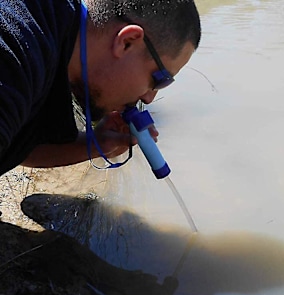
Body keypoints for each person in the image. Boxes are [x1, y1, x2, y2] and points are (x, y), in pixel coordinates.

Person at [0, 0, 200, 176]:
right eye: (159, 80)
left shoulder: (55, 28)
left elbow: (16, 149)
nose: (149, 98)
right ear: (127, 42)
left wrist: (98, 144)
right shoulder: (13, 55)